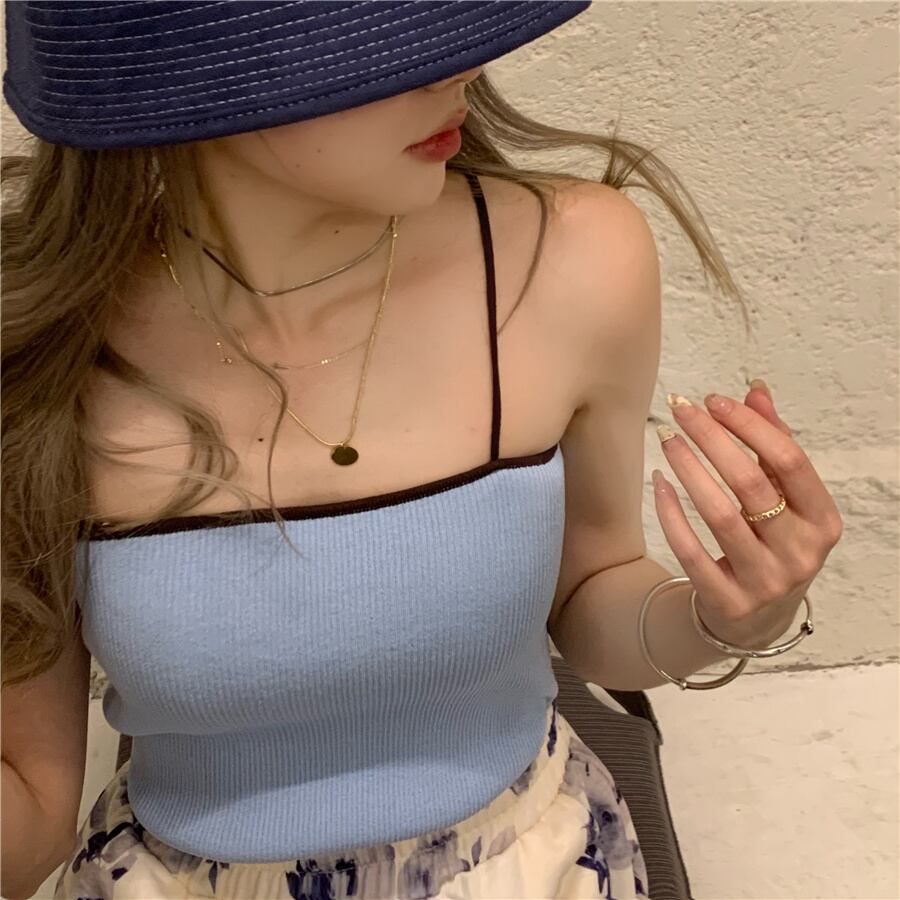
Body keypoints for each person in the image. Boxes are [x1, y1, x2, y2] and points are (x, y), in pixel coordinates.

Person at [2, 2, 840, 898]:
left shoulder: (572, 260)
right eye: (375, 33)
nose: (460, 69)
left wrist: (726, 619)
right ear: (182, 56)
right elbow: (32, 811)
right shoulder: (38, 350)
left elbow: (591, 597)